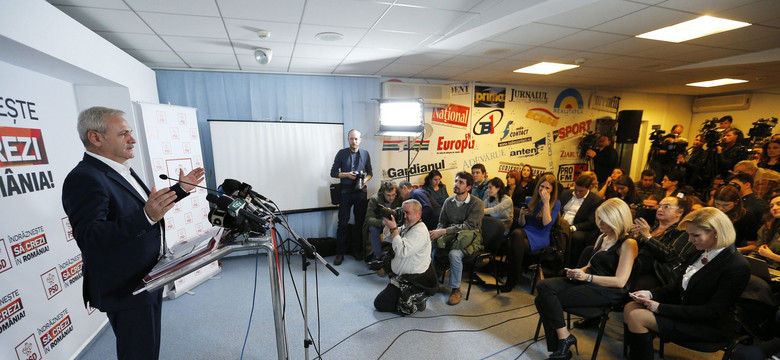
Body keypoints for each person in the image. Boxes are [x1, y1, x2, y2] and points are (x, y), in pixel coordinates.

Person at [62, 106, 206, 360]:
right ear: (95, 138)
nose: (132, 139)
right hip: (125, 288)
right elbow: (90, 237)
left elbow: (137, 211)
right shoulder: (84, 178)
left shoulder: (117, 169)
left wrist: (180, 190)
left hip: (147, 279)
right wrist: (146, 216)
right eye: (123, 134)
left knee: (147, 351)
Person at [623, 207, 751, 360]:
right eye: (689, 234)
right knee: (630, 307)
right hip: (688, 312)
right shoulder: (700, 251)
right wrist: (651, 293)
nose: (690, 240)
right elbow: (678, 287)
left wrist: (660, 307)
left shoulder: (737, 266)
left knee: (638, 317)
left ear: (716, 232)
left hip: (709, 326)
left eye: (695, 235)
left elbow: (712, 312)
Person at [535, 198, 638, 359]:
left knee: (544, 300)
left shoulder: (628, 243)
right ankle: (564, 338)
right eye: (599, 218)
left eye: (604, 219)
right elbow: (590, 264)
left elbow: (620, 281)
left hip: (607, 290)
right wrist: (577, 271)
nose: (599, 223)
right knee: (543, 287)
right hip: (588, 280)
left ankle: (562, 344)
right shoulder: (603, 237)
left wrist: (587, 277)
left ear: (618, 219)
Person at [373, 199, 437, 315]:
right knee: (380, 303)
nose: (404, 215)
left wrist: (394, 229)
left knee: (380, 304)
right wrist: (389, 225)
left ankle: (418, 299)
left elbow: (402, 251)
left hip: (412, 281)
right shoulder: (407, 225)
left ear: (419, 214)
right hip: (399, 277)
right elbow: (388, 238)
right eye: (402, 211)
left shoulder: (420, 232)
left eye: (407, 212)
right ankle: (403, 296)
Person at [430, 171, 484, 306]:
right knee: (433, 246)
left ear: (468, 188)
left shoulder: (477, 204)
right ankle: (432, 281)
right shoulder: (449, 201)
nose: (456, 184)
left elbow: (468, 226)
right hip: (452, 237)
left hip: (470, 239)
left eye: (461, 182)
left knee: (454, 254)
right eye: (456, 181)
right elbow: (442, 221)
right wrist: (438, 233)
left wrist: (443, 231)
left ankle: (456, 289)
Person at [502, 173, 561, 292]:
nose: (543, 190)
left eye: (547, 188)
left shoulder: (555, 203)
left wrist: (545, 203)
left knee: (513, 241)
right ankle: (514, 277)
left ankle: (512, 278)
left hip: (541, 235)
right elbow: (522, 224)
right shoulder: (530, 200)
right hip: (526, 231)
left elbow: (546, 223)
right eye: (541, 186)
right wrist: (522, 214)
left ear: (552, 190)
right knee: (516, 234)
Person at [631, 196, 697, 290]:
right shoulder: (653, 227)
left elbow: (670, 255)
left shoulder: (683, 231)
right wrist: (633, 237)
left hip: (658, 275)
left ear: (679, 212)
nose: (660, 209)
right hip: (637, 268)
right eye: (659, 206)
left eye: (666, 207)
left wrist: (648, 236)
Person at [330, 129, 373, 265]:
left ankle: (357, 251)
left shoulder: (365, 154)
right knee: (342, 223)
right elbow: (333, 173)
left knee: (359, 223)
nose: (353, 141)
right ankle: (340, 253)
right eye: (351, 139)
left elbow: (371, 172)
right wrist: (347, 175)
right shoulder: (342, 153)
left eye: (356, 139)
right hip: (345, 192)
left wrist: (365, 179)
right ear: (348, 139)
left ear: (360, 140)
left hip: (360, 192)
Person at [559, 174, 604, 269]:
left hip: (579, 228)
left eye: (581, 191)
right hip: (561, 223)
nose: (577, 193)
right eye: (576, 189)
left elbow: (591, 222)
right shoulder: (565, 193)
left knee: (576, 238)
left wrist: (573, 228)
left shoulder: (595, 201)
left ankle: (570, 266)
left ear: (589, 188)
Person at [364, 180, 402, 274]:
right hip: (380, 223)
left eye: (393, 194)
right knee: (373, 228)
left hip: (395, 223)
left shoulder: (399, 198)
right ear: (383, 193)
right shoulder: (375, 199)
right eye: (388, 195)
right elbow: (368, 219)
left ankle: (397, 256)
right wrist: (384, 223)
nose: (391, 197)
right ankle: (378, 257)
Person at [713, 185, 759, 254]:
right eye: (717, 204)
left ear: (736, 202)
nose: (720, 208)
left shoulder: (746, 216)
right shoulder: (712, 213)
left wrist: (735, 251)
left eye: (726, 205)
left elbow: (753, 245)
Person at [751, 193, 780, 268]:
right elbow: (758, 251)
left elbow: (766, 254)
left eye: (779, 204)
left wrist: (771, 255)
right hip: (767, 268)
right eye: (771, 206)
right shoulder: (768, 226)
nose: (774, 208)